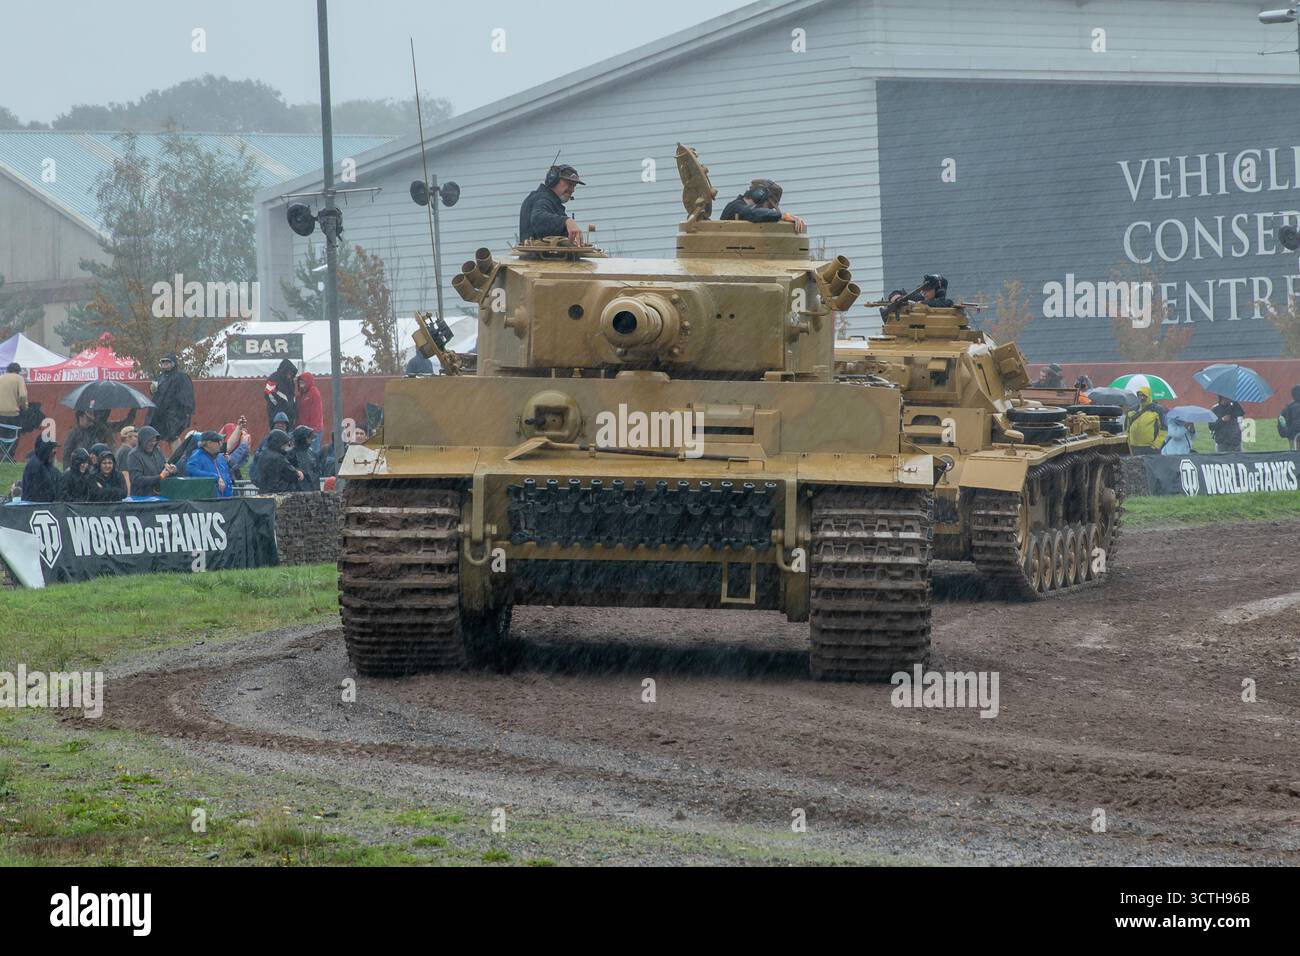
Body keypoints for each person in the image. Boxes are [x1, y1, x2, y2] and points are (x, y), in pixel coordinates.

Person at [518, 164, 588, 243]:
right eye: (569, 184)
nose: (572, 189)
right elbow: (538, 218)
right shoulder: (542, 199)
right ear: (553, 180)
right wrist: (567, 221)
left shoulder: (549, 201)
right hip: (539, 255)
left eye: (574, 185)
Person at [719, 179, 806, 233]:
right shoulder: (736, 207)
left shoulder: (742, 208)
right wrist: (782, 215)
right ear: (760, 195)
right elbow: (752, 213)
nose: (768, 210)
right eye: (769, 206)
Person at [147, 353, 195, 447]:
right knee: (153, 436)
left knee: (173, 436)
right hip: (159, 412)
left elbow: (186, 396)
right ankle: (155, 459)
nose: (165, 364)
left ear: (173, 363)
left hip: (173, 414)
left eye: (167, 362)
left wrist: (181, 412)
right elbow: (158, 394)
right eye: (163, 362)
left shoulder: (181, 376)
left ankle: (178, 460)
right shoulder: (161, 377)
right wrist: (153, 390)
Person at [127, 425, 176, 497]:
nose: (153, 443)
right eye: (150, 441)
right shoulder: (134, 455)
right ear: (143, 440)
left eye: (155, 440)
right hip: (141, 498)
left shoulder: (157, 450)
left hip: (160, 495)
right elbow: (137, 480)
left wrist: (171, 470)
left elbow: (163, 467)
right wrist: (160, 477)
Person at [186, 430, 235, 498]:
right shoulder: (196, 456)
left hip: (226, 500)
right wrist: (214, 477)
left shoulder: (220, 457)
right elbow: (192, 471)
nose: (221, 444)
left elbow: (227, 475)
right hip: (208, 501)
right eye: (218, 442)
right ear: (209, 443)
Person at [253, 428, 303, 493]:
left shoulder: (263, 454)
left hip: (263, 492)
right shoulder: (279, 458)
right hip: (277, 493)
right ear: (280, 443)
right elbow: (291, 473)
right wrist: (298, 473)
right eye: (284, 444)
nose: (285, 446)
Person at [1125, 386, 1167, 455]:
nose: (1141, 398)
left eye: (1144, 395)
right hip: (1133, 447)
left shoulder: (1158, 410)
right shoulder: (1131, 410)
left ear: (1149, 396)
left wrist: (1156, 445)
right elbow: (1126, 428)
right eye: (1139, 395)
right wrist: (1127, 443)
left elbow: (1164, 429)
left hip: (1150, 448)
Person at [20, 436, 63, 502]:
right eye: (53, 452)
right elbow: (40, 493)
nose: (54, 455)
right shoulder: (36, 466)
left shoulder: (46, 464)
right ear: (46, 450)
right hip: (34, 507)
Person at [263, 358, 298, 430]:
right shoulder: (274, 378)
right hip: (276, 415)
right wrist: (278, 407)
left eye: (291, 373)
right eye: (289, 373)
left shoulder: (291, 382)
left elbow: (292, 396)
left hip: (289, 416)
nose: (290, 375)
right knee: (277, 434)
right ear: (284, 371)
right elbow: (268, 394)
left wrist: (293, 409)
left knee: (289, 436)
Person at [289, 425, 320, 491]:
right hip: (297, 493)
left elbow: (316, 474)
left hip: (313, 491)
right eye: (309, 438)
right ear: (302, 438)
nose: (311, 440)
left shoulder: (312, 453)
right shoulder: (291, 454)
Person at [295, 371, 323, 441]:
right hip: (303, 430)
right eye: (300, 383)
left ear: (308, 382)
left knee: (313, 451)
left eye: (303, 383)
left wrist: (312, 429)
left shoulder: (314, 393)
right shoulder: (299, 396)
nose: (301, 385)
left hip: (313, 430)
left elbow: (315, 413)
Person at [0, 362, 27, 430]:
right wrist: (24, 407)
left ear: (8, 370)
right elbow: (23, 395)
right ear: (18, 371)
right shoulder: (19, 378)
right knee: (12, 436)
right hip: (13, 414)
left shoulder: (1, 377)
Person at [1277, 385, 1300, 451]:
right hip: (1294, 434)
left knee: (1294, 454)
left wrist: (1286, 432)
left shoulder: (1288, 407)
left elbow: (1281, 420)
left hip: (1293, 435)